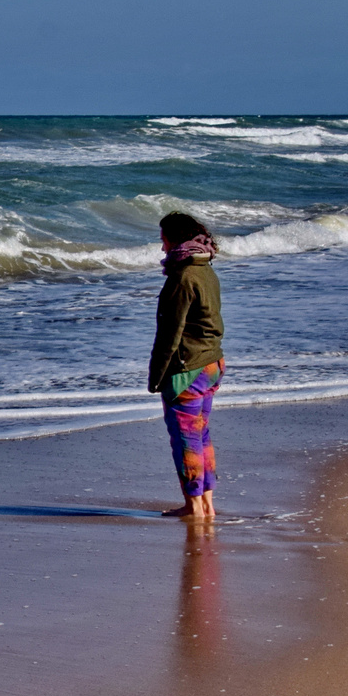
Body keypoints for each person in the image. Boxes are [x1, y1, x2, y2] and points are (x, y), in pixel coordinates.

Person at [148, 212, 224, 520]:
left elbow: (170, 333)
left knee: (186, 439)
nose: (162, 248)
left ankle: (194, 506)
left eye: (163, 240)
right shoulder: (205, 268)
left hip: (187, 369)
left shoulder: (182, 278)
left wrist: (156, 377)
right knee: (201, 435)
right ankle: (206, 503)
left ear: (174, 239)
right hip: (212, 363)